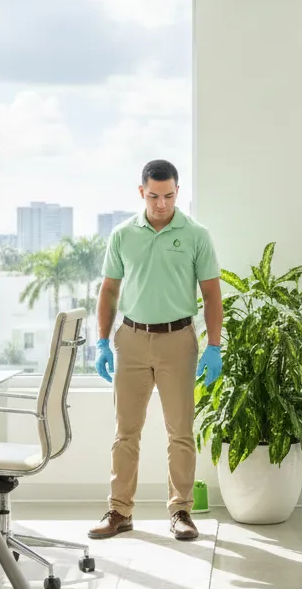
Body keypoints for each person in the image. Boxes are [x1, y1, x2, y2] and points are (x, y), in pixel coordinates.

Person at [90, 159, 223, 542]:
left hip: (178, 340)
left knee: (180, 431)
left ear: (177, 192)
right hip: (131, 338)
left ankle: (181, 511)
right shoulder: (122, 234)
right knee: (125, 432)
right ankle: (119, 511)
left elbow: (212, 294)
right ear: (141, 192)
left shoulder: (196, 234)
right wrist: (102, 341)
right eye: (153, 196)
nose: (161, 204)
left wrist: (213, 346)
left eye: (167, 196)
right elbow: (109, 290)